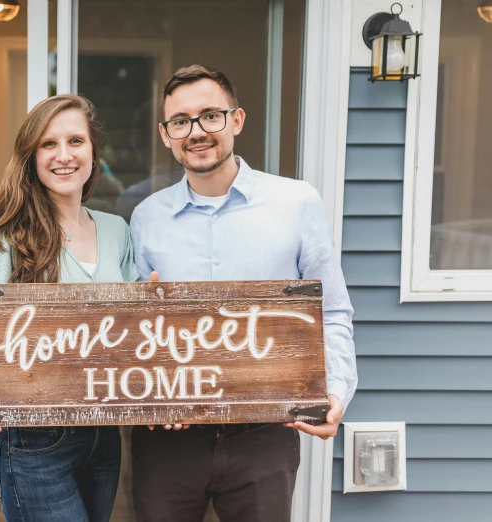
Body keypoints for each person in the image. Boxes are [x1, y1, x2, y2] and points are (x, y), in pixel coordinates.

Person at [128, 65, 358, 522]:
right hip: (169, 439)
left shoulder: (297, 203)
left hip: (265, 433)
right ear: (166, 133)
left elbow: (330, 310)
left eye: (210, 115)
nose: (196, 132)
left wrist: (336, 390)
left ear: (237, 120)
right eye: (181, 121)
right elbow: (135, 330)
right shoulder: (146, 216)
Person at [0, 94, 139, 522]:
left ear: (93, 153)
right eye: (48, 144)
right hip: (32, 437)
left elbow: (132, 331)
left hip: (104, 435)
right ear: (31, 157)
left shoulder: (117, 230)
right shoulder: (5, 230)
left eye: (75, 141)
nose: (63, 156)